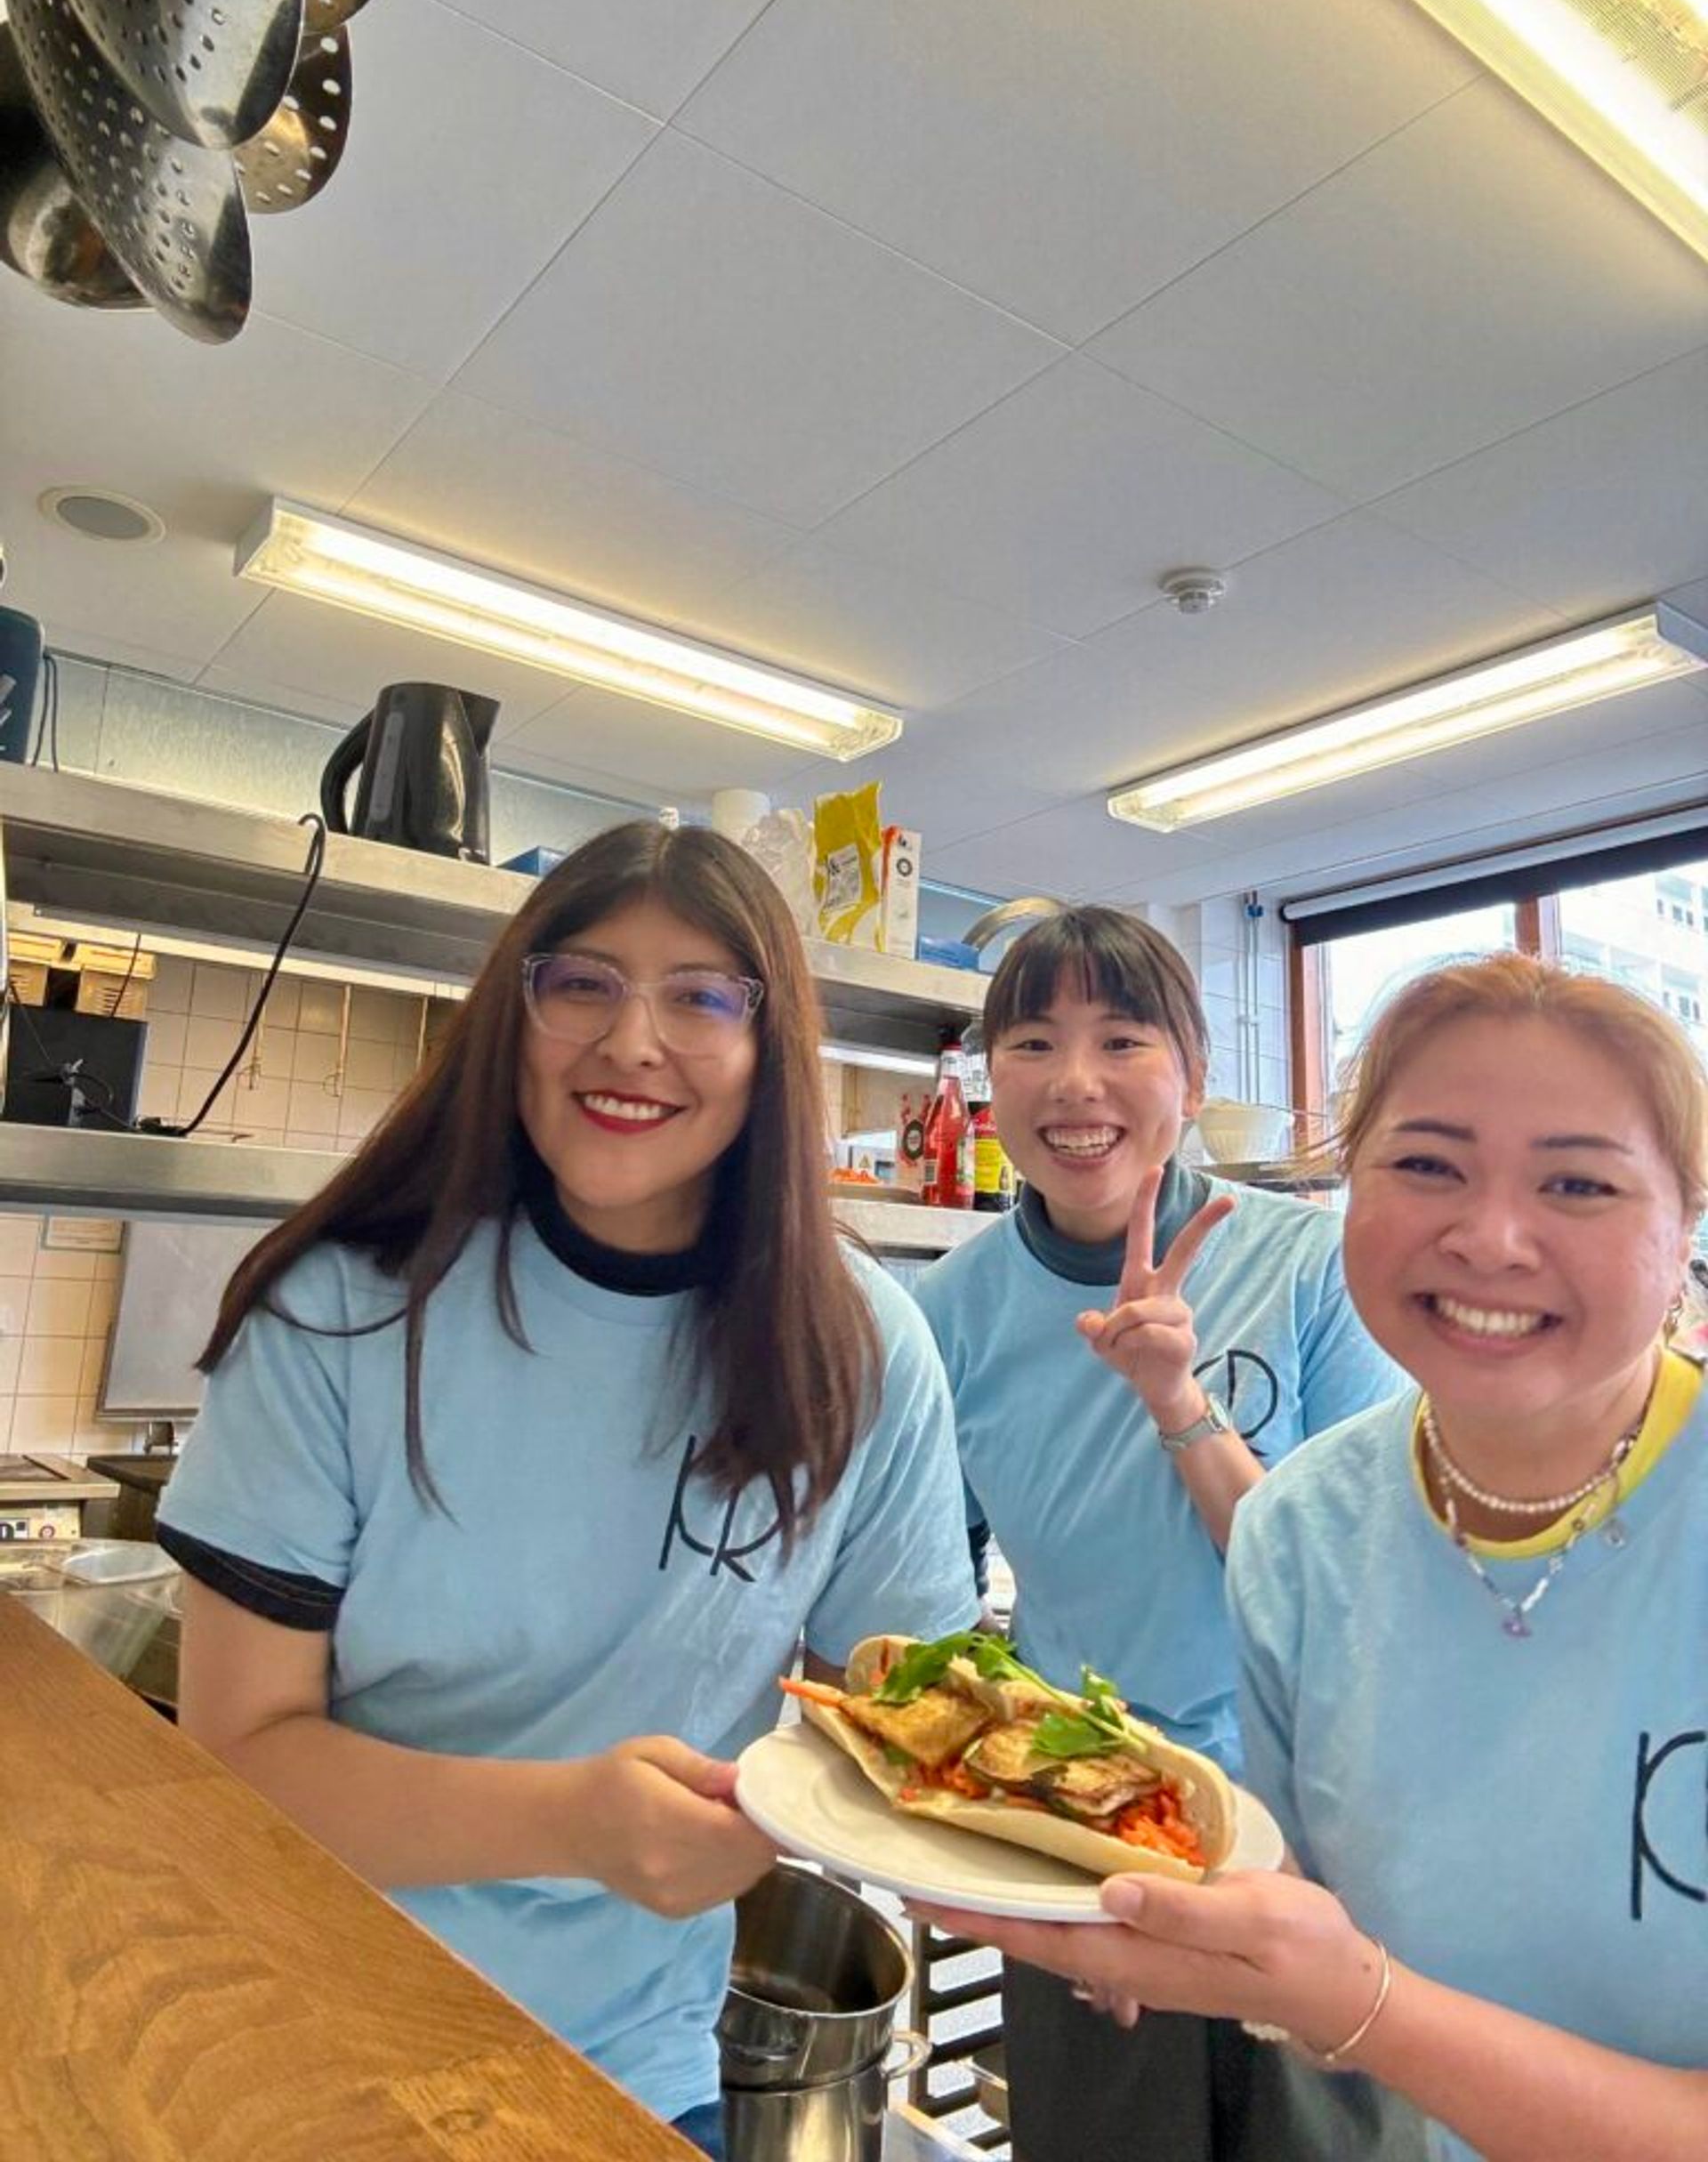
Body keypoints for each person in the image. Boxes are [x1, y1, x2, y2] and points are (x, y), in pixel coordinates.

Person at [156, 819, 979, 2158]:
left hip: (636, 2069)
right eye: (582, 982)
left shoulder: (862, 1345)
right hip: (306, 2020)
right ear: (512, 1017)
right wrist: (571, 1824)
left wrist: (1076, 1867)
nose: (632, 1041)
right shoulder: (349, 1313)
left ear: (770, 1051)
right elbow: (237, 1759)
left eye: (702, 996)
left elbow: (903, 1714)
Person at [925, 953, 1708, 2162]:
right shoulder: (1305, 1537)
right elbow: (1305, 1894)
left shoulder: (1282, 1287)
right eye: (1428, 1165)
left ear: (1687, 1217)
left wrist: (1358, 2004)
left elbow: (1349, 1987)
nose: (1493, 1238)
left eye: (1580, 1183)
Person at [913, 905, 1414, 2162]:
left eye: (1122, 1038)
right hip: (1086, 1831)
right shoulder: (949, 1314)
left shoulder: (1312, 1265)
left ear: (1189, 1074)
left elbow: (1348, 1595)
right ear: (991, 1081)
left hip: (1314, 1849)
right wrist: (1063, 1874)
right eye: (1031, 1042)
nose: (1075, 1084)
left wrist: (1177, 1402)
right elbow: (935, 1636)